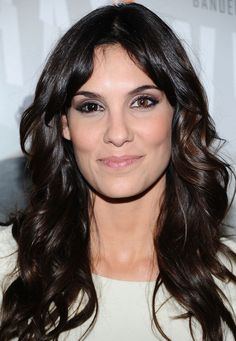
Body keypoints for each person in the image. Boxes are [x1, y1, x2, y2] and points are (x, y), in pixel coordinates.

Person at [0, 2, 235, 340]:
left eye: (143, 102)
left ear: (178, 115)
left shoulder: (229, 281)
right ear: (65, 124)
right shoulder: (9, 265)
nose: (118, 133)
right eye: (91, 107)